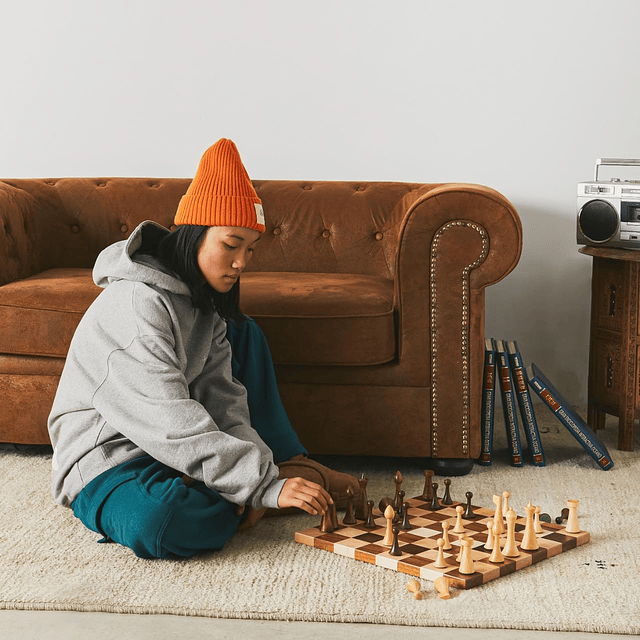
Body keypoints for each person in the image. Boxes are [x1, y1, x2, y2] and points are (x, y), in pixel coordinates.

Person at [47, 138, 360, 559]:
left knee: (243, 332)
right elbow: (168, 423)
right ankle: (244, 484)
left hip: (171, 451)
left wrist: (257, 478)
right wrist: (261, 486)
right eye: (231, 245)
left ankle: (247, 477)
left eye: (250, 249)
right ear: (193, 237)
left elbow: (223, 401)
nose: (241, 262)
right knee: (164, 525)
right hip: (110, 458)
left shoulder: (205, 309)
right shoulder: (137, 305)